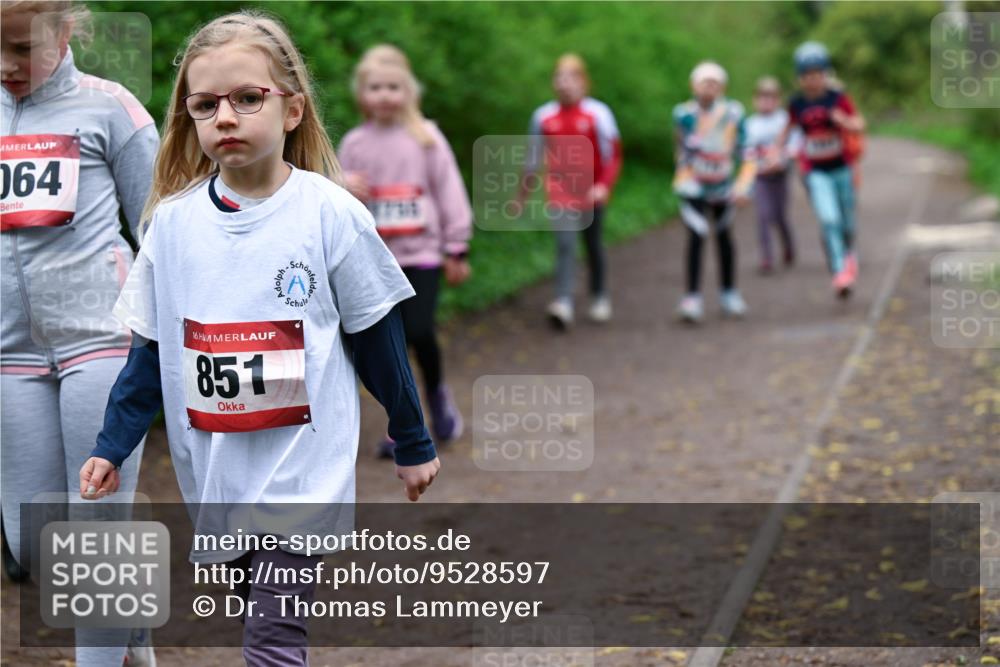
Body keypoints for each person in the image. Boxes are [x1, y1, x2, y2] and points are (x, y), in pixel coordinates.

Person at [77, 11, 440, 666]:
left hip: (302, 467)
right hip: (217, 467)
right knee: (255, 599)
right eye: (205, 104)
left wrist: (411, 436)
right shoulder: (173, 226)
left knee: (272, 640)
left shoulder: (331, 215)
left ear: (292, 109)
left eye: (248, 98)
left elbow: (378, 340)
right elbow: (150, 353)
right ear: (188, 117)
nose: (226, 116)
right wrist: (113, 442)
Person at [1, 1, 158, 664]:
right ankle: (132, 635)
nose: (8, 66)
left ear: (68, 30)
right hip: (9, 351)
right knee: (31, 539)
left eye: (21, 47)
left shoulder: (112, 109)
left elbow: (160, 231)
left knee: (94, 533)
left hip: (101, 337)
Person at [339, 44, 471, 457]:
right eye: (375, 87)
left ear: (409, 91)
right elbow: (332, 201)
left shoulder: (426, 137)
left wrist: (457, 247)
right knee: (386, 345)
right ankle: (404, 423)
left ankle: (437, 399)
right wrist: (340, 183)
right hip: (375, 259)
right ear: (362, 94)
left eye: (393, 86)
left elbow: (450, 190)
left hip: (423, 254)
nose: (384, 95)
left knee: (418, 332)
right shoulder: (355, 144)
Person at [525, 53, 623, 330]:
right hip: (559, 191)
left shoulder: (598, 113)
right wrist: (522, 195)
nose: (564, 83)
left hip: (591, 191)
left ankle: (599, 295)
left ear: (583, 82)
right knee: (565, 244)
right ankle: (563, 302)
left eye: (571, 77)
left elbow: (613, 155)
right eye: (559, 77)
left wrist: (603, 185)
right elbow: (533, 157)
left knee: (592, 245)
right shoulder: (543, 116)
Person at [779, 42, 865, 298]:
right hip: (815, 170)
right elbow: (787, 131)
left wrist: (844, 121)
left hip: (842, 168)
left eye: (818, 74)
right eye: (808, 75)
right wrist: (776, 152)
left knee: (847, 221)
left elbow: (859, 124)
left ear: (826, 74)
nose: (814, 80)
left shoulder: (837, 98)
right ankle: (840, 271)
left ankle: (849, 255)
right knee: (829, 219)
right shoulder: (796, 104)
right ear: (800, 78)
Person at [672, 61, 755, 323]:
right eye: (703, 82)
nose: (709, 87)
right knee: (696, 235)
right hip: (694, 186)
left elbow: (747, 152)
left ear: (722, 87)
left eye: (714, 83)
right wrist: (683, 177)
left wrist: (743, 185)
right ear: (693, 86)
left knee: (724, 236)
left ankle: (729, 293)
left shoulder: (733, 113)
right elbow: (680, 149)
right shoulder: (683, 114)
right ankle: (692, 297)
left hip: (723, 186)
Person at [746, 76, 796, 273]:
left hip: (780, 176)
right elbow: (746, 150)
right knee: (763, 216)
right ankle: (766, 257)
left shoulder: (784, 120)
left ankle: (788, 246)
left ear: (778, 99)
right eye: (762, 97)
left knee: (779, 216)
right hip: (760, 177)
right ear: (755, 99)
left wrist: (781, 160)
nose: (766, 102)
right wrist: (755, 166)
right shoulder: (751, 124)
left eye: (771, 98)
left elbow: (794, 145)